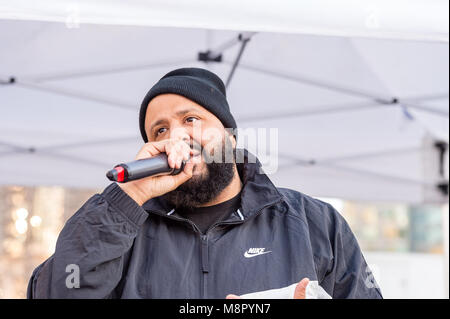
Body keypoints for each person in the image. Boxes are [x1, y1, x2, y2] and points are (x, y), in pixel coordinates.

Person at [27, 67, 382, 299]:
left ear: (228, 133)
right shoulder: (120, 226)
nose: (176, 136)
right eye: (160, 129)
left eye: (191, 119)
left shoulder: (312, 221)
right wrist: (130, 195)